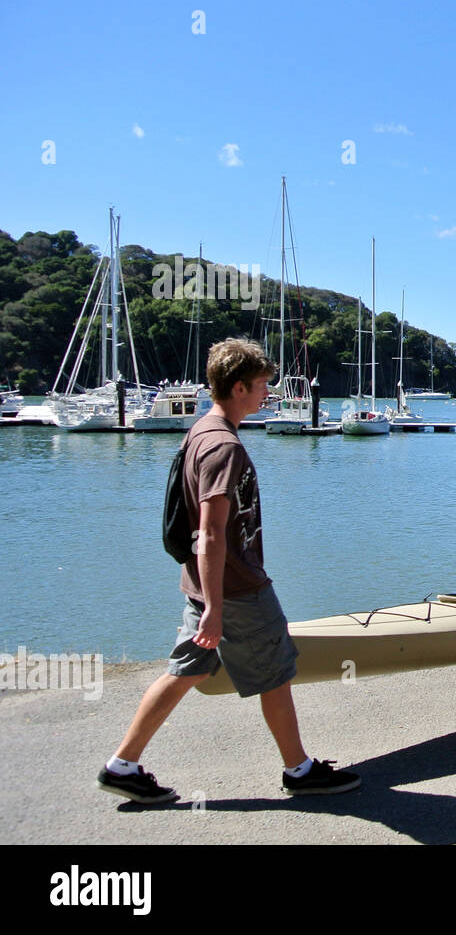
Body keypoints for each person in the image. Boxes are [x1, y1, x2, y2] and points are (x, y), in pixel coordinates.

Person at [98, 339, 360, 804]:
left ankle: (123, 763)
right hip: (236, 589)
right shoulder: (223, 447)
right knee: (275, 672)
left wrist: (207, 603)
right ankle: (299, 770)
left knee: (184, 670)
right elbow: (211, 533)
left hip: (204, 585)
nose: (268, 395)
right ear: (238, 387)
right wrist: (217, 610)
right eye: (262, 386)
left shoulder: (201, 430)